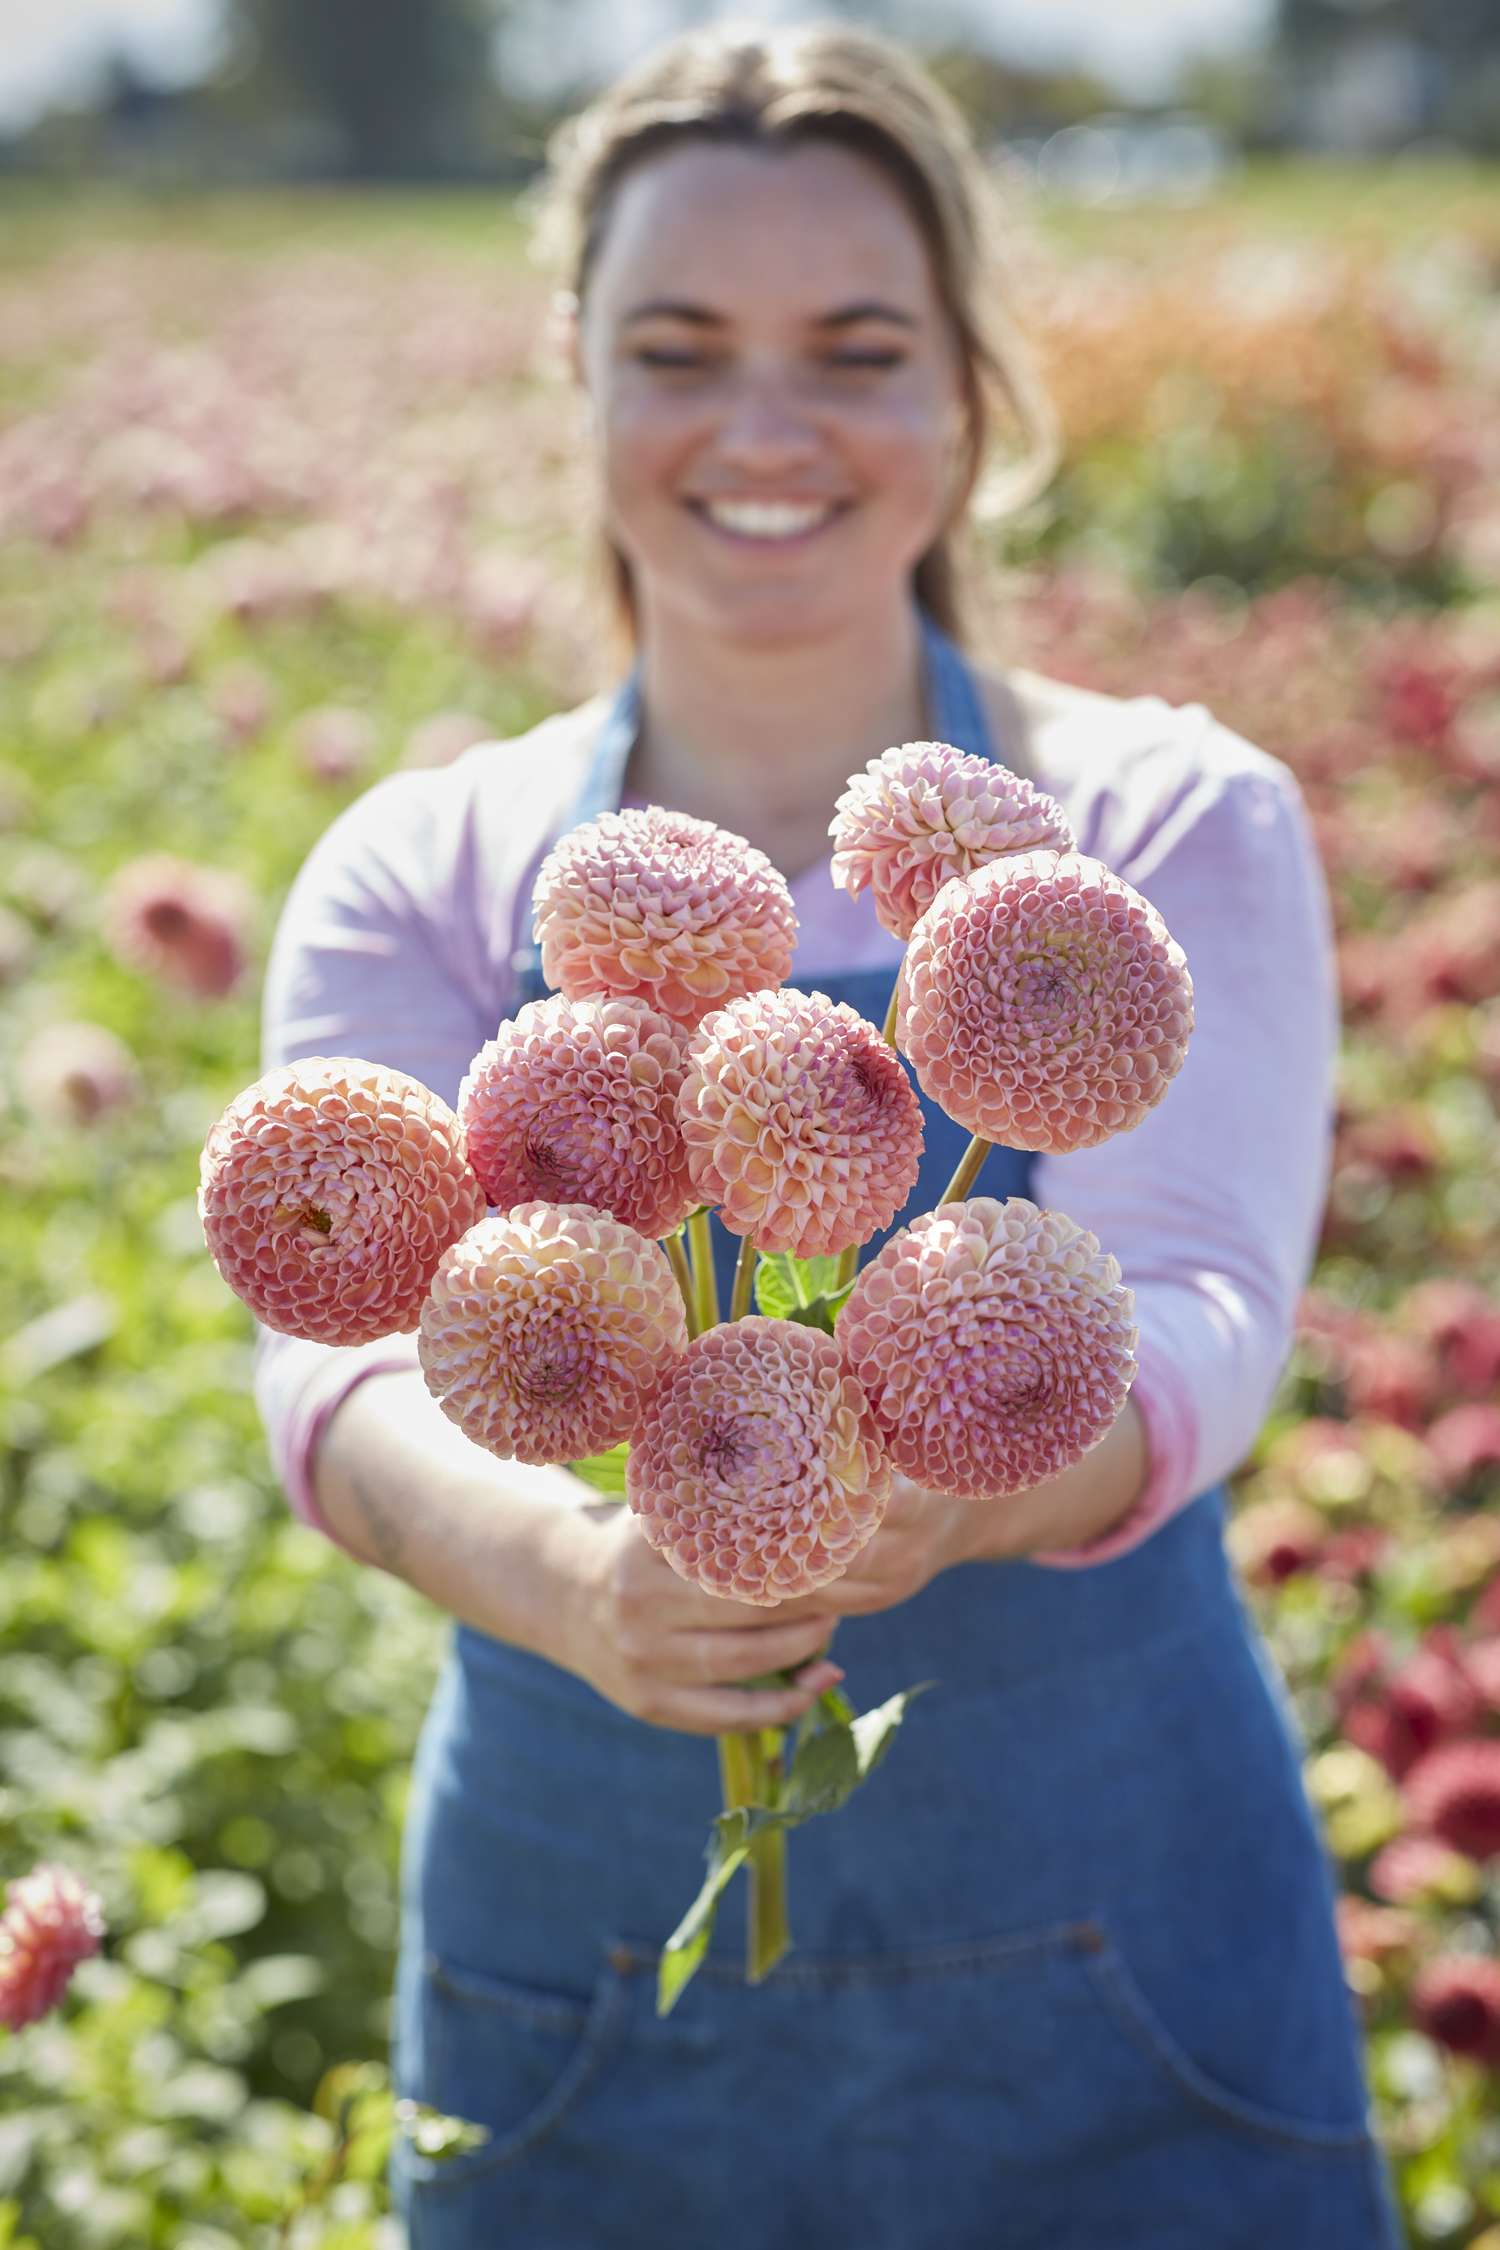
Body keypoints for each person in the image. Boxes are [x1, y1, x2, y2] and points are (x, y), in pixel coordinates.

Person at [253, 22, 1403, 2248]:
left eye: (857, 350)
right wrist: (564, 1577)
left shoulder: (1159, 822)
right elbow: (335, 1352)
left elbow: (1201, 1304)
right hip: (588, 1961)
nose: (765, 427)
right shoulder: (430, 862)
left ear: (971, 393)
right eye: (679, 347)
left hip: (1118, 1952)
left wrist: (934, 1497)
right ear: (573, 379)